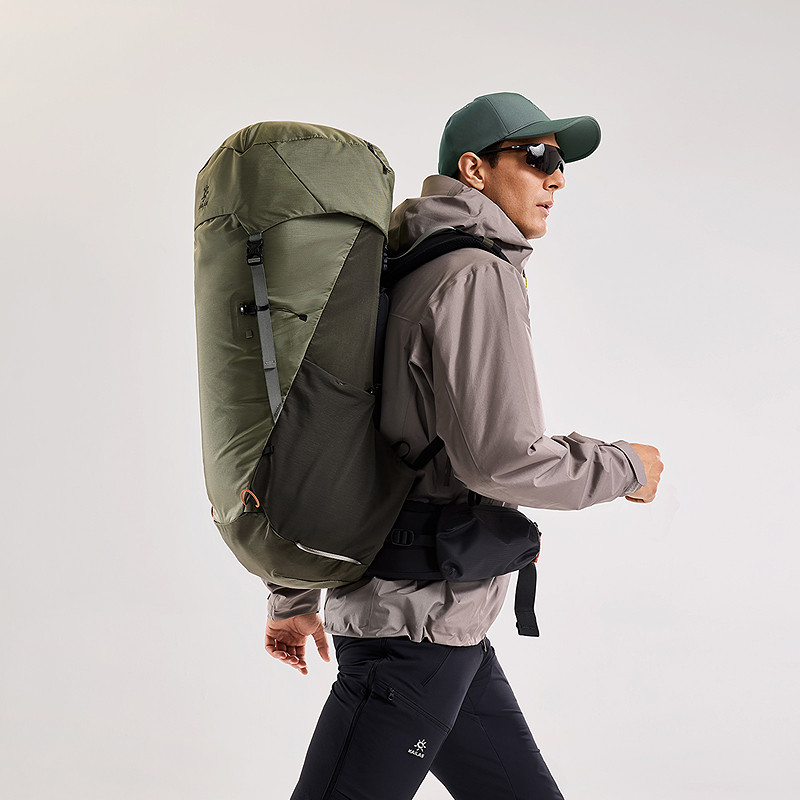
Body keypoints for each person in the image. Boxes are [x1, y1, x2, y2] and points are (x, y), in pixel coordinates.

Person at [264, 92, 664, 800]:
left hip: (436, 618)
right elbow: (501, 459)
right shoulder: (475, 273)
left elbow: (335, 436)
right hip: (413, 630)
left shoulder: (403, 262)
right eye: (536, 157)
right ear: (474, 170)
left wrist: (291, 591)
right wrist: (626, 467)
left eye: (560, 162)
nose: (556, 177)